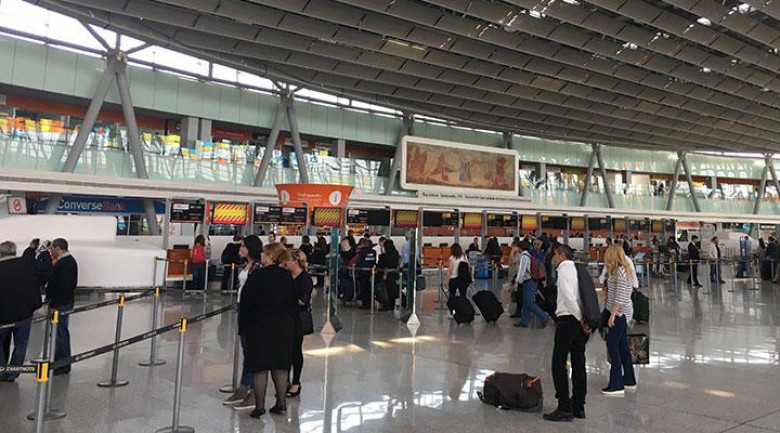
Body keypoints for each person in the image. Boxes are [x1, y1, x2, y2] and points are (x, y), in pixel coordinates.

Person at [240, 243, 297, 418]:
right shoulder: (287, 276)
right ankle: (281, 403)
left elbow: (246, 302)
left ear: (270, 256)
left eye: (264, 253)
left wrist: (243, 325)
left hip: (259, 325)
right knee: (280, 366)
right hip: (283, 326)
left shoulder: (257, 276)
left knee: (260, 367)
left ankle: (259, 406)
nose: (261, 255)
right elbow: (293, 302)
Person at [544, 244, 588, 422]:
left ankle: (564, 407)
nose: (553, 260)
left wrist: (580, 319)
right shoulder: (577, 269)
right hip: (579, 321)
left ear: (561, 254)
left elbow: (569, 298)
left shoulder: (563, 270)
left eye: (554, 256)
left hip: (568, 319)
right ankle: (579, 406)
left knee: (558, 362)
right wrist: (583, 320)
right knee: (578, 362)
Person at [223, 235, 262, 410]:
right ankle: (243, 387)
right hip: (242, 309)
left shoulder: (258, 267)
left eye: (243, 246)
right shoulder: (245, 265)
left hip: (253, 312)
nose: (240, 249)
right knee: (246, 351)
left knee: (252, 352)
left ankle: (253, 391)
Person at [0, 241, 41, 382]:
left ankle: (2, 370)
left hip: (3, 316)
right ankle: (14, 372)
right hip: (24, 313)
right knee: (21, 343)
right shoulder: (26, 265)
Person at [601, 244, 637, 396]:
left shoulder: (620, 271)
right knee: (622, 346)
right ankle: (629, 380)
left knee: (612, 344)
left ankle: (616, 384)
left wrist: (613, 314)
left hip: (619, 314)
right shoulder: (620, 270)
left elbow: (620, 295)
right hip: (619, 312)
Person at [284, 250, 313, 399]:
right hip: (285, 317)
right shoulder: (287, 276)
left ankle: (296, 381)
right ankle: (285, 380)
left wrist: (286, 298)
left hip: (297, 318)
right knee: (285, 351)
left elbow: (303, 300)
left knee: (295, 350)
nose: (285, 263)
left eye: (288, 260)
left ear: (295, 261)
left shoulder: (305, 279)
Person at [47, 238, 78, 375]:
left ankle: (62, 364)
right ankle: (58, 361)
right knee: (59, 333)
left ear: (58, 248)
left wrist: (54, 304)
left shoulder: (66, 263)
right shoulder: (66, 262)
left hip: (61, 304)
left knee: (60, 333)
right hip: (63, 301)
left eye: (52, 248)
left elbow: (63, 287)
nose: (50, 251)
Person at [514, 241, 549, 328]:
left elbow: (522, 270)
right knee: (526, 302)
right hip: (533, 280)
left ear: (520, 247)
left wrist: (517, 282)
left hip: (529, 281)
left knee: (529, 302)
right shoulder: (531, 254)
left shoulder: (524, 256)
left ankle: (543, 317)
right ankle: (524, 321)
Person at [378, 239, 401, 311]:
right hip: (395, 274)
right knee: (393, 290)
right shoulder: (396, 253)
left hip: (388, 274)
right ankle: (392, 305)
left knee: (388, 291)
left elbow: (384, 265)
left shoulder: (386, 254)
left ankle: (388, 305)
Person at [355, 238, 377, 308]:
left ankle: (365, 303)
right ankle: (370, 302)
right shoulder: (373, 252)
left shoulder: (362, 252)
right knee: (369, 288)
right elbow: (374, 261)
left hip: (363, 272)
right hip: (371, 272)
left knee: (363, 288)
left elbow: (360, 262)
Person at [507, 240, 523, 318]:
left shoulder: (519, 255)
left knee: (518, 294)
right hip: (515, 274)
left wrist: (512, 253)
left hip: (517, 275)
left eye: (513, 247)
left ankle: (519, 311)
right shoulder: (519, 254)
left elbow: (512, 261)